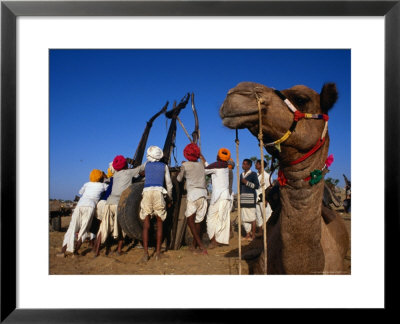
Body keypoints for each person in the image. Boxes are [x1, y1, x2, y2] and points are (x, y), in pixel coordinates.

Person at [93, 155, 145, 257]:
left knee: (104, 227)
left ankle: (96, 250)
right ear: (125, 164)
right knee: (122, 227)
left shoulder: (115, 175)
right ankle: (119, 250)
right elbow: (142, 167)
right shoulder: (129, 172)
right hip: (119, 203)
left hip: (108, 203)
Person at [57, 169, 108, 257]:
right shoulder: (103, 185)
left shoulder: (86, 184)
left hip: (80, 205)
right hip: (90, 206)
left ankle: (63, 251)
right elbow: (109, 187)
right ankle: (75, 252)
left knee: (72, 228)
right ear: (100, 177)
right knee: (84, 229)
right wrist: (106, 177)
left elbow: (80, 192)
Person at [140, 146, 173, 262]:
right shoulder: (164, 166)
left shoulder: (146, 165)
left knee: (146, 223)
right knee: (160, 223)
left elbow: (143, 175)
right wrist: (169, 197)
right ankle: (158, 253)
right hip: (159, 192)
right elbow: (169, 184)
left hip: (147, 192)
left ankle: (145, 254)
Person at [177, 143, 208, 255]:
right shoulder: (201, 165)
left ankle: (201, 246)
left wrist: (182, 168)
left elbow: (179, 179)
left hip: (193, 194)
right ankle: (194, 245)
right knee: (198, 221)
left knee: (190, 221)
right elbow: (205, 163)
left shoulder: (185, 165)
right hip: (203, 194)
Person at [202, 148, 232, 248]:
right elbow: (210, 168)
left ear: (218, 157)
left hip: (218, 197)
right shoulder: (225, 167)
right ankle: (218, 239)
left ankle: (213, 240)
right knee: (222, 219)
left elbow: (205, 171)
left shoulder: (216, 166)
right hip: (225, 197)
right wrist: (203, 158)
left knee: (210, 218)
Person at [239, 159, 259, 241]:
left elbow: (257, 186)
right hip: (243, 198)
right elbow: (240, 187)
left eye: (245, 164)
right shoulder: (241, 174)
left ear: (249, 165)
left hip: (250, 198)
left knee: (252, 218)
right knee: (244, 218)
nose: (243, 165)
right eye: (242, 164)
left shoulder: (253, 174)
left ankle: (253, 236)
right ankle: (247, 235)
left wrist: (246, 182)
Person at [254, 159, 272, 236]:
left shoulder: (267, 176)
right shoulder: (256, 175)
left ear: (261, 165)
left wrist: (267, 199)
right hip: (257, 198)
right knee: (258, 215)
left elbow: (269, 188)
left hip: (264, 198)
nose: (255, 165)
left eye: (257, 164)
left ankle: (269, 231)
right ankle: (260, 232)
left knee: (266, 215)